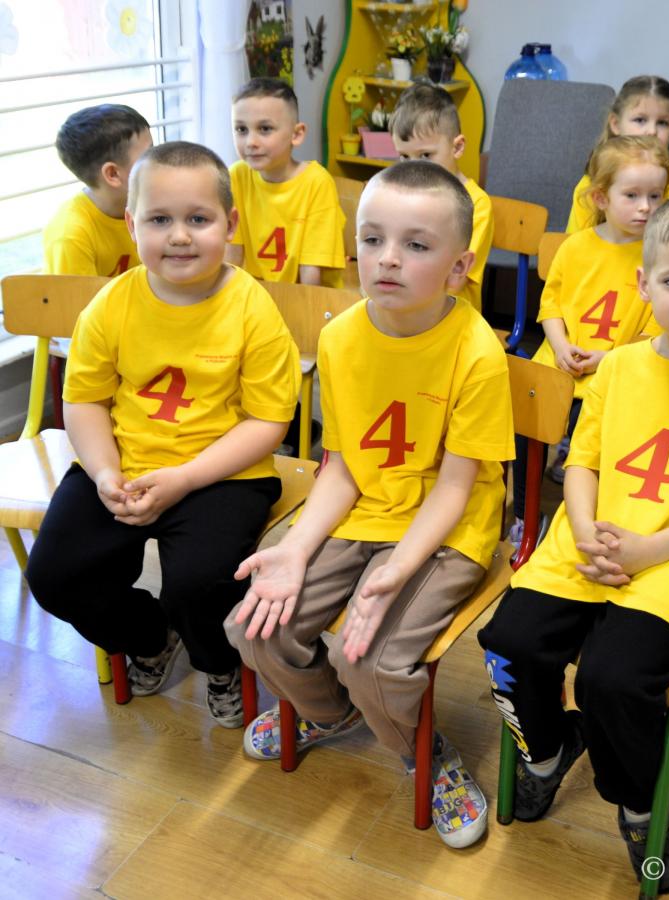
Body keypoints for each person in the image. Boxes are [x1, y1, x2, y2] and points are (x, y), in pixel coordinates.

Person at [478, 194, 669, 893]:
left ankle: (641, 801)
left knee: (612, 679)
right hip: (590, 540)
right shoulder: (617, 367)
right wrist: (583, 530)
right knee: (507, 643)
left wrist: (647, 552)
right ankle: (545, 754)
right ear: (643, 284)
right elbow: (582, 465)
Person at [224, 160, 515, 849]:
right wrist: (296, 548)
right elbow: (344, 467)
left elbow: (455, 488)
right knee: (255, 630)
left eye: (415, 245)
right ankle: (334, 714)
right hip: (363, 511)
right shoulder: (340, 335)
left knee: (373, 665)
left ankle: (425, 755)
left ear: (458, 267)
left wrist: (397, 568)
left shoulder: (476, 351)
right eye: (373, 238)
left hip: (445, 530)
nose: (387, 258)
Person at [26, 142, 301, 729]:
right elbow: (84, 401)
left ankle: (219, 663)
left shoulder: (252, 309)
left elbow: (267, 423)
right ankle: (151, 636)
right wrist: (104, 471)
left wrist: (185, 479)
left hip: (223, 472)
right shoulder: (111, 304)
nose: (178, 236)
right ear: (132, 225)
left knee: (201, 583)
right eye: (159, 219)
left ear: (230, 224)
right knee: (54, 575)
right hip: (123, 463)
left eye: (198, 219)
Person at [508, 135, 669, 545]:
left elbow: (657, 329)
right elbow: (551, 305)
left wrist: (608, 358)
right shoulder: (575, 248)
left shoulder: (661, 257)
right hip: (559, 362)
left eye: (655, 196)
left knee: (595, 448)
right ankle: (525, 514)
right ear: (601, 197)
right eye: (632, 195)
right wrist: (561, 345)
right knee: (526, 430)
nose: (645, 207)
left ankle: (584, 525)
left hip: (616, 373)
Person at [227, 77, 345, 287]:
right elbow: (232, 257)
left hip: (311, 298)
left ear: (296, 134)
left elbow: (311, 275)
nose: (251, 142)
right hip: (259, 296)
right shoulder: (237, 176)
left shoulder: (317, 182)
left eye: (265, 129)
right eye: (241, 130)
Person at [389, 83, 494, 313]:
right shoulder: (401, 197)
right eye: (404, 157)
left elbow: (455, 281)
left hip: (452, 319)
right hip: (407, 312)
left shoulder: (477, 205)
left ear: (457, 147)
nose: (414, 168)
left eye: (425, 155)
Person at [565, 75, 669, 234]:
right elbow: (575, 242)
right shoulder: (592, 183)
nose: (652, 131)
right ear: (616, 124)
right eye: (640, 120)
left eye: (663, 123)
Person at [43, 104, 152, 278]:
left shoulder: (155, 201)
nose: (160, 160)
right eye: (148, 155)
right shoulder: (70, 236)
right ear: (113, 174)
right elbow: (77, 297)